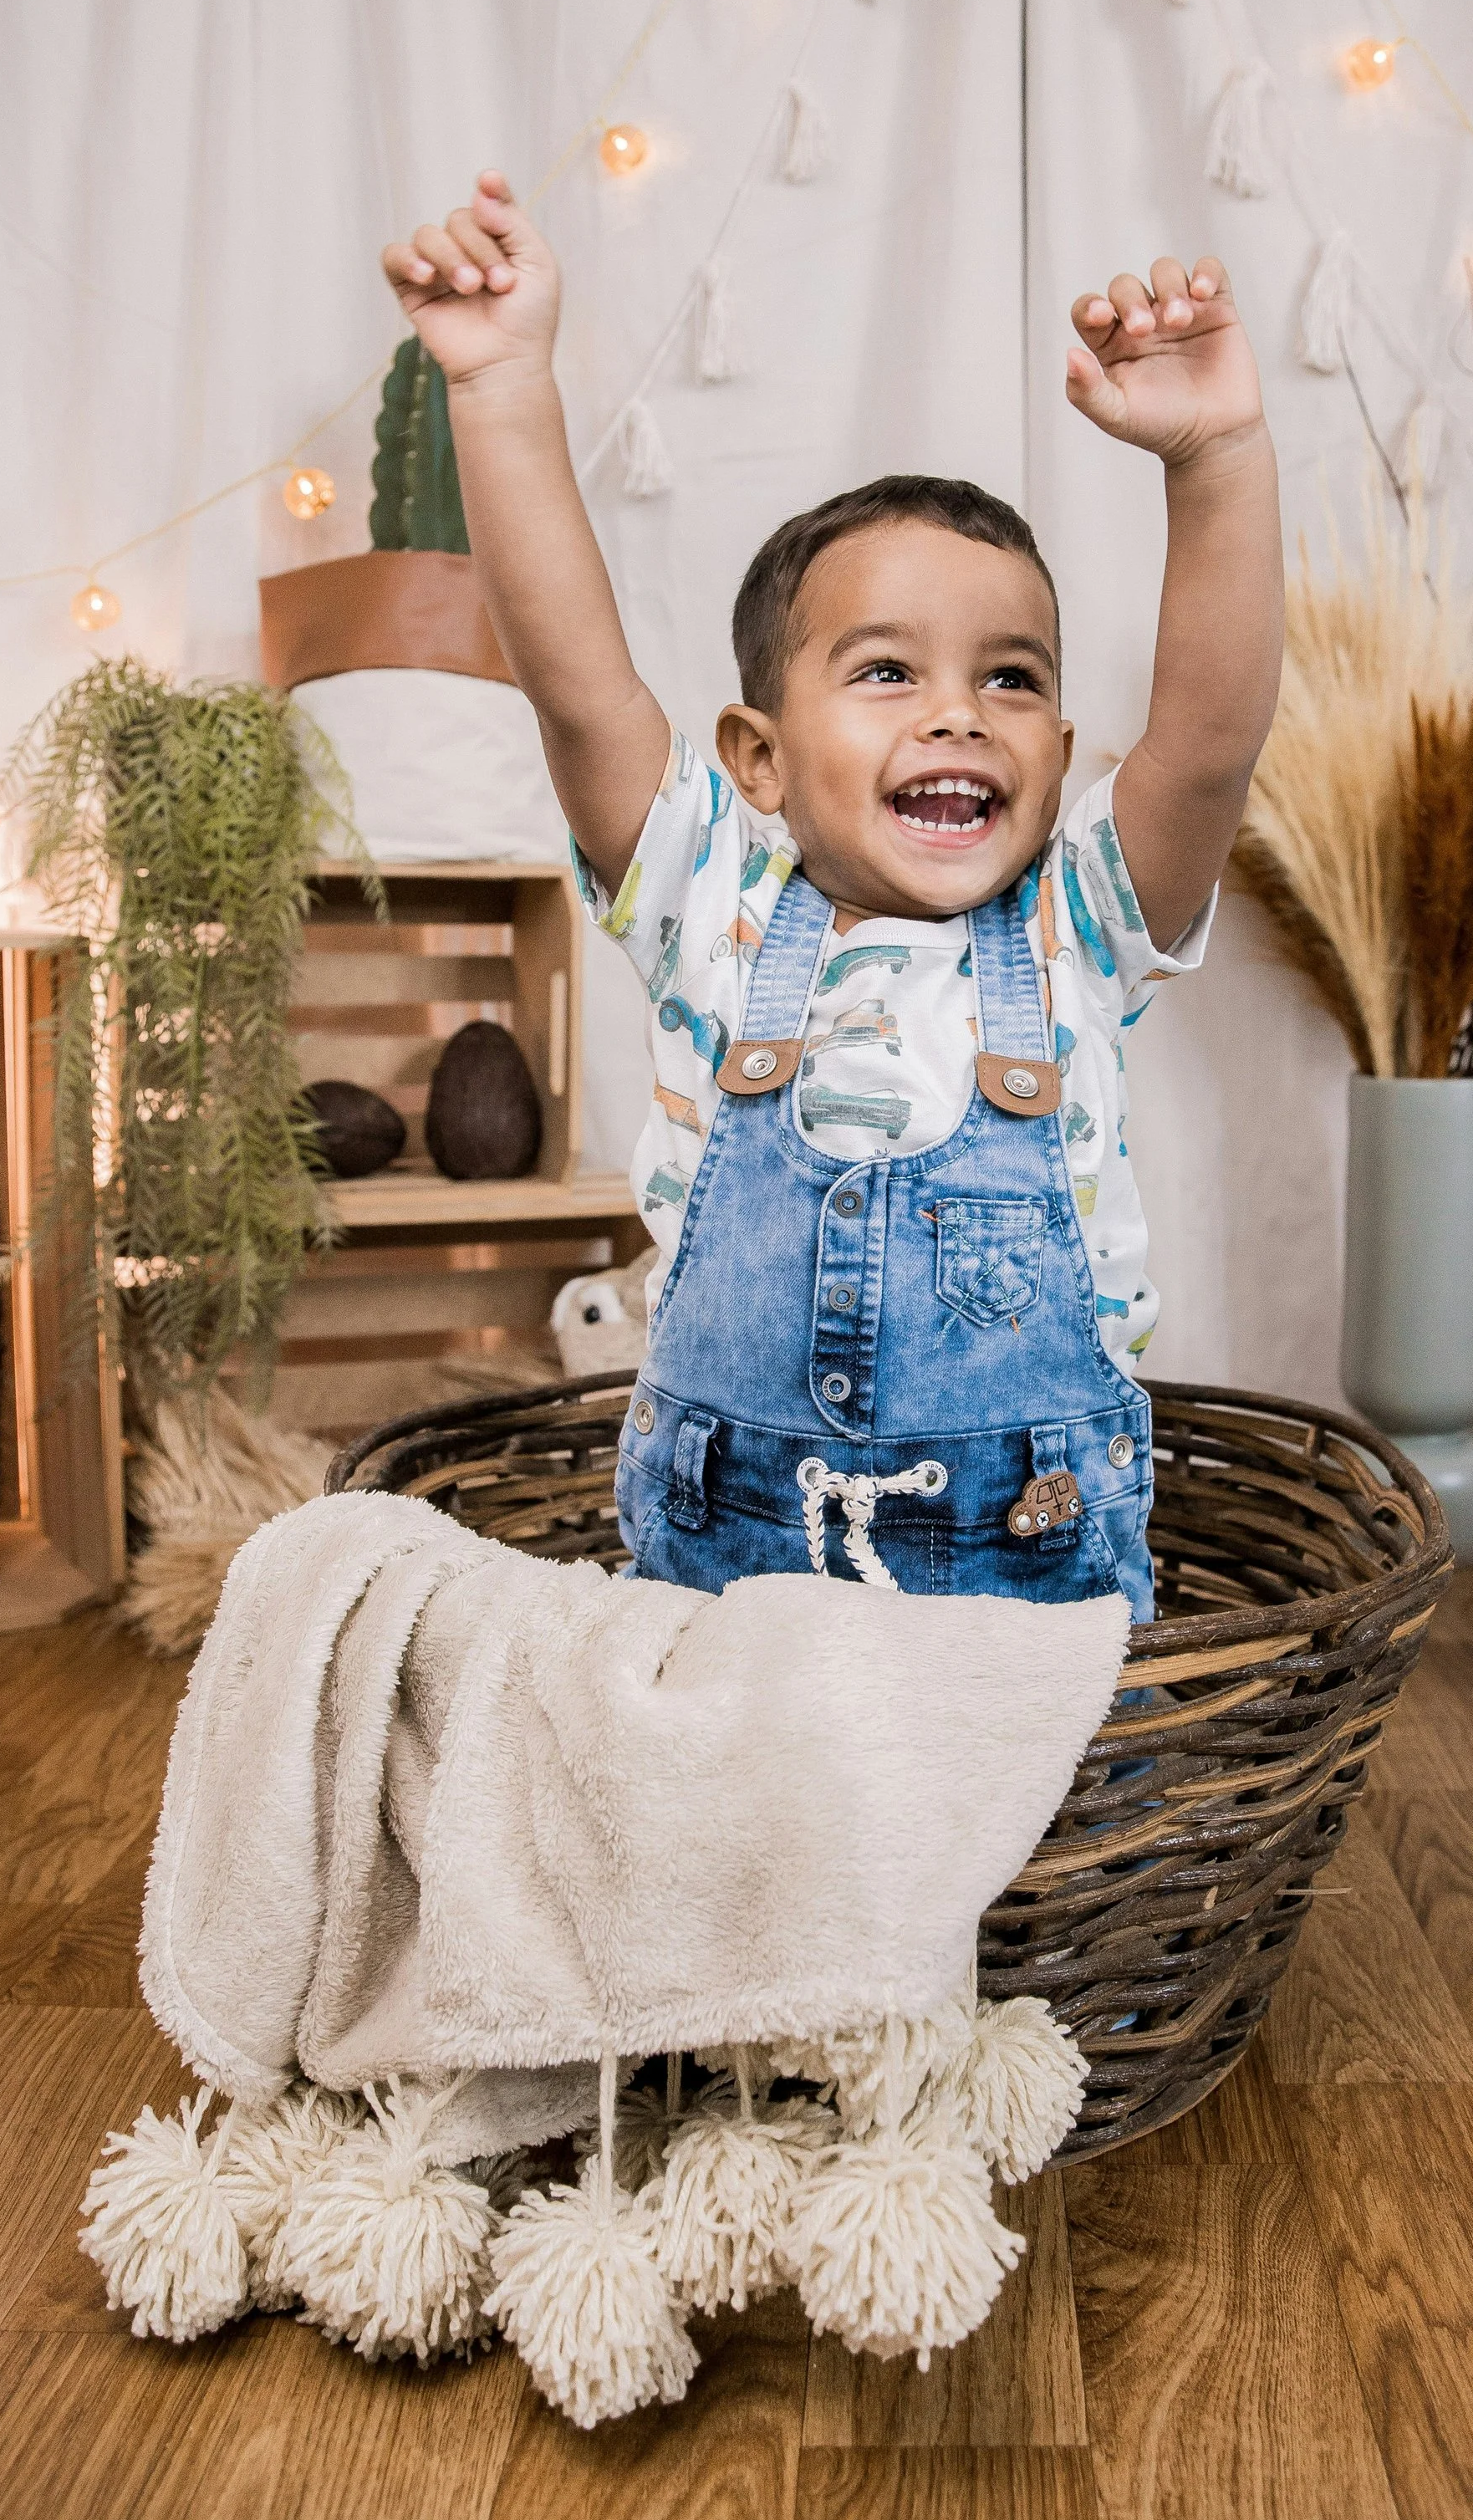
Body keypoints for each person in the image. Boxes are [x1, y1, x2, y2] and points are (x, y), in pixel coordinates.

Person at [382, 173, 1282, 1620]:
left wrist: (1220, 456)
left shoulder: (1080, 931)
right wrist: (498, 386)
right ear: (757, 760)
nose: (958, 715)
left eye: (1012, 676)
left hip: (1023, 1611)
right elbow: (576, 682)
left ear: (1062, 751)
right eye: (885, 671)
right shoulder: (709, 902)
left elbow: (1214, 740)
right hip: (716, 1609)